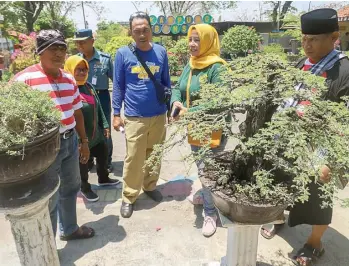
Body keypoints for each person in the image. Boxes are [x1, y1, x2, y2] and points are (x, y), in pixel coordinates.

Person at [260, 8, 349, 266]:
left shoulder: (343, 71)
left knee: (317, 197)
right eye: (304, 38)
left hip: (319, 148)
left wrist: (329, 161)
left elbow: (344, 122)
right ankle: (277, 218)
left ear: (334, 37)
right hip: (287, 140)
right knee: (278, 182)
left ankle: (314, 243)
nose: (306, 45)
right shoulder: (301, 64)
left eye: (314, 39)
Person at [13, 30, 94, 240]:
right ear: (40, 51)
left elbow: (77, 111)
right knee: (48, 196)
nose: (59, 54)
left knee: (71, 187)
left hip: (70, 142)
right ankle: (47, 246)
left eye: (62, 49)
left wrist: (84, 141)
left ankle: (69, 229)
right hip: (44, 148)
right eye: (53, 48)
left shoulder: (68, 78)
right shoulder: (25, 80)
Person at [170, 24, 227, 237]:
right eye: (191, 39)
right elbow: (178, 87)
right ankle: (207, 196)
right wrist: (176, 103)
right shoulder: (192, 63)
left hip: (212, 129)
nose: (192, 44)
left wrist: (189, 111)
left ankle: (211, 213)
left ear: (208, 41)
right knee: (203, 169)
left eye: (197, 40)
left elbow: (220, 102)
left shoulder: (217, 67)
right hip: (194, 126)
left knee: (208, 171)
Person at [112, 11, 171, 218]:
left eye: (145, 29)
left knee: (154, 154)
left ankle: (150, 186)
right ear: (131, 33)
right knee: (134, 158)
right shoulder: (122, 54)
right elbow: (118, 86)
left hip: (158, 115)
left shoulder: (161, 52)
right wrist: (116, 113)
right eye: (137, 31)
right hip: (135, 116)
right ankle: (129, 196)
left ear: (151, 30)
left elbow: (166, 83)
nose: (142, 34)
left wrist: (170, 108)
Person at [64, 55, 120, 202]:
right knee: (82, 164)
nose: (82, 73)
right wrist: (81, 141)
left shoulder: (89, 87)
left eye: (84, 69)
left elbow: (99, 107)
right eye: (78, 70)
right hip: (80, 137)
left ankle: (103, 178)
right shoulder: (68, 89)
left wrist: (105, 125)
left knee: (103, 153)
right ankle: (85, 188)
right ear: (70, 70)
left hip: (96, 134)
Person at [74, 29, 114, 173]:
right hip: (81, 98)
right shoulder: (76, 60)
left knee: (104, 129)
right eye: (77, 42)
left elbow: (116, 80)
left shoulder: (105, 59)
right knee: (85, 129)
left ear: (92, 41)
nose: (80, 45)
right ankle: (88, 159)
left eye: (83, 42)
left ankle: (106, 162)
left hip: (101, 97)